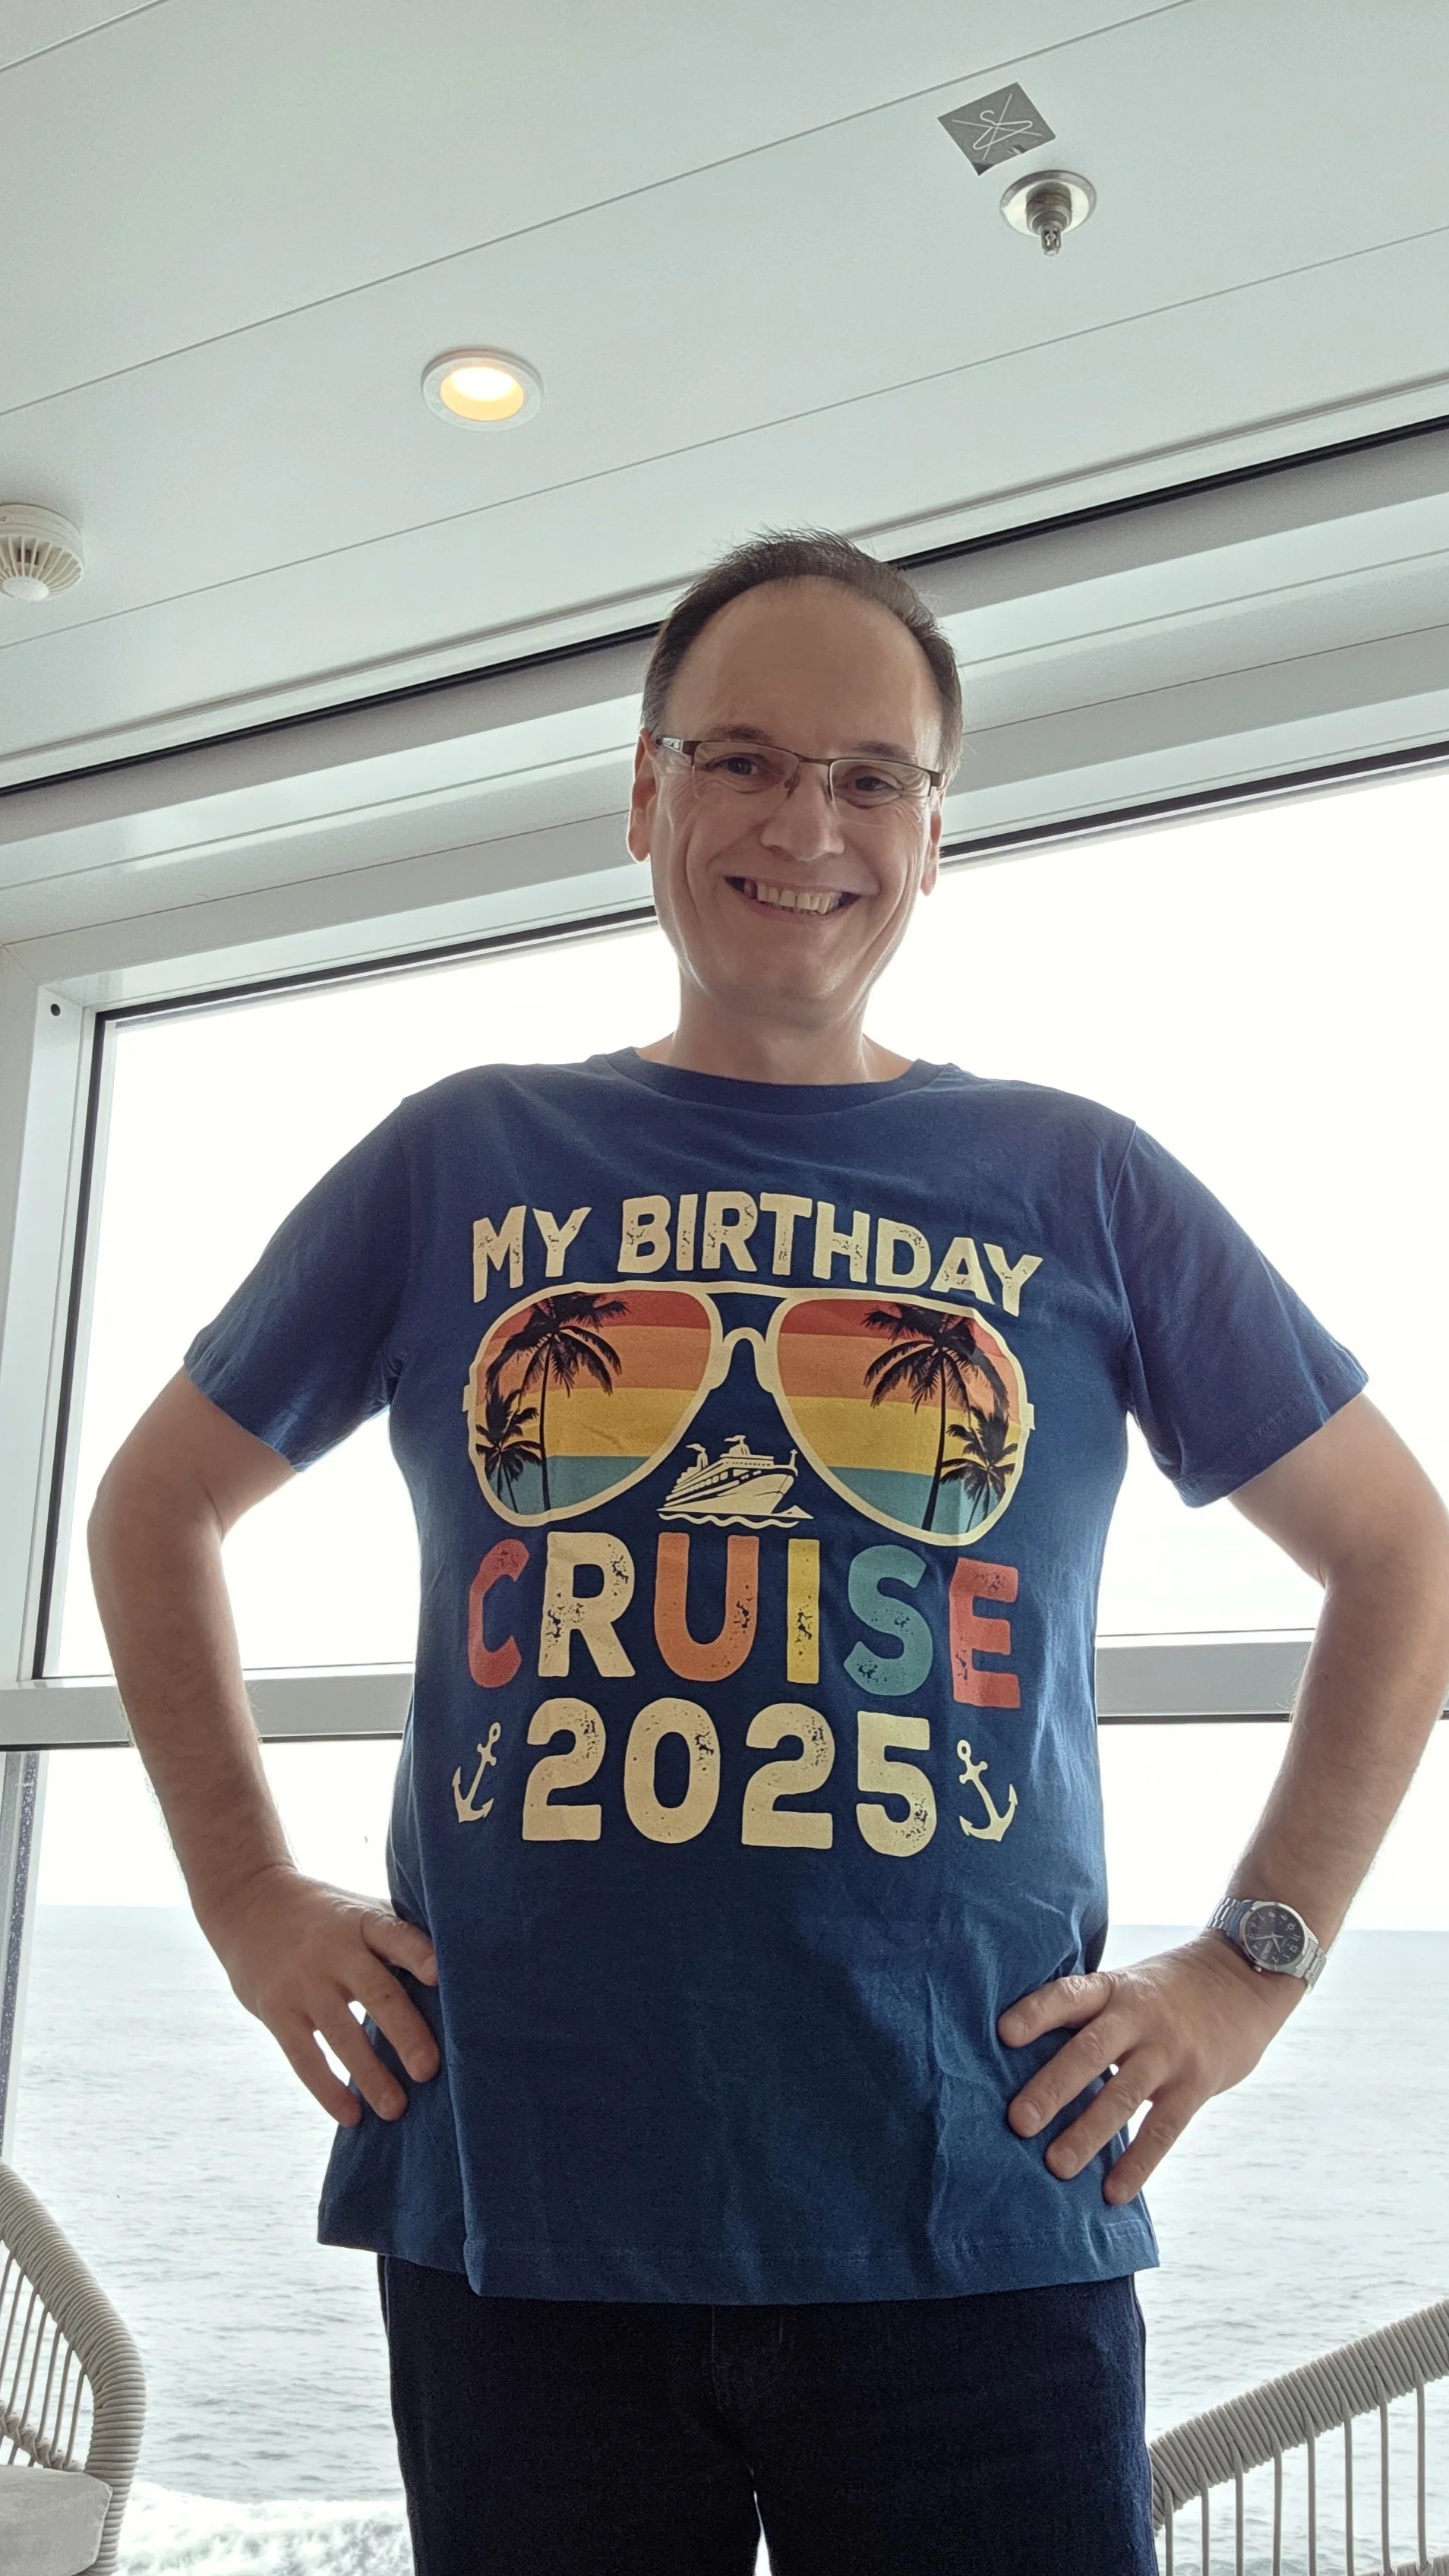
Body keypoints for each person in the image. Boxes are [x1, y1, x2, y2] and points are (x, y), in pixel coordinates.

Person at [87, 531, 1449, 2576]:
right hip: (527, 2205)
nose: (801, 822)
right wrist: (244, 1898)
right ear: (646, 795)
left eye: (868, 776)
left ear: (928, 829)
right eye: (739, 758)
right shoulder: (464, 1158)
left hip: (972, 2199)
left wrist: (1249, 1968)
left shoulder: (1075, 1180)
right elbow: (153, 1505)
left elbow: (1398, 1557)